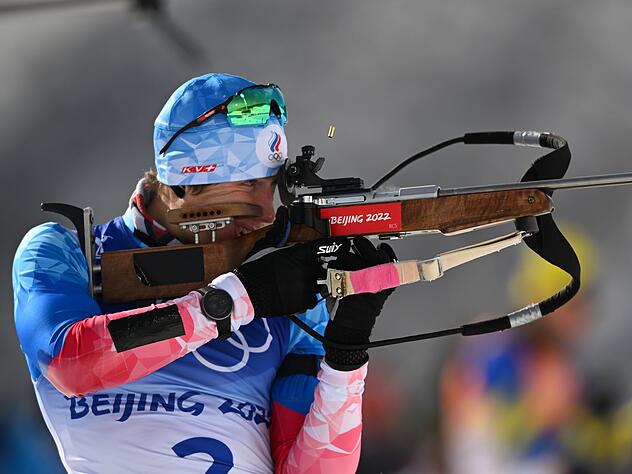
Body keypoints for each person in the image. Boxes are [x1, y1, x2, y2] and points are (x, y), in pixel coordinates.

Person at [12, 73, 394, 473]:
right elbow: (69, 361)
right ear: (185, 183)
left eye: (272, 186)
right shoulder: (65, 252)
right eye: (248, 185)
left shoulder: (286, 287)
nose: (266, 212)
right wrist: (232, 303)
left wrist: (346, 358)